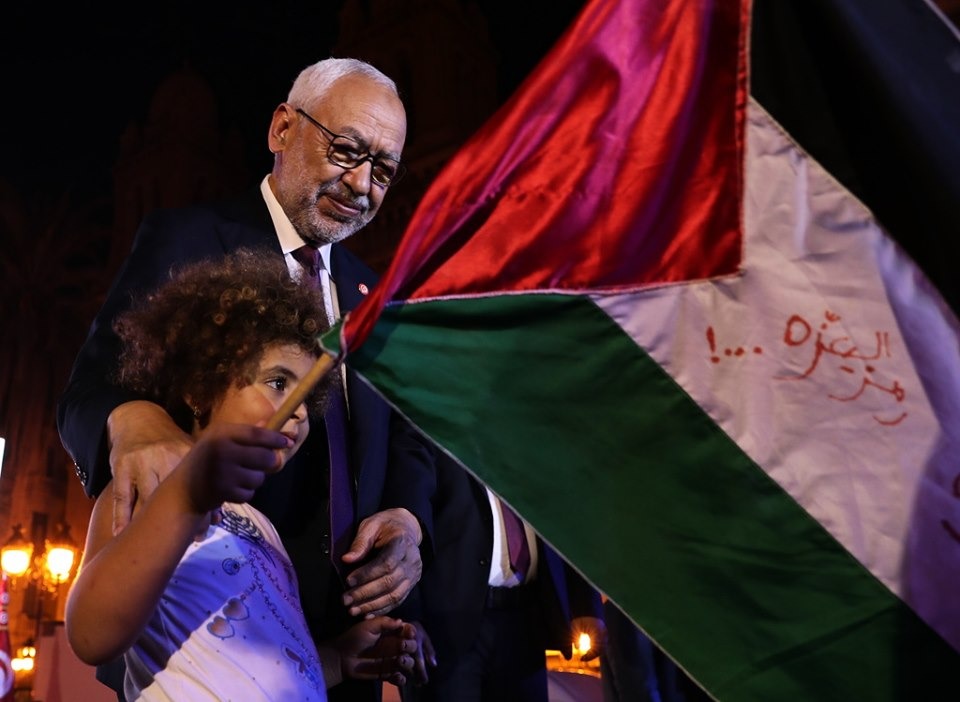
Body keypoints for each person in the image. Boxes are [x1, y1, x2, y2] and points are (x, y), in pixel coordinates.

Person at [57, 57, 436, 702]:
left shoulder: (375, 297)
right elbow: (92, 386)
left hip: (330, 659)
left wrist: (408, 519)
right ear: (283, 128)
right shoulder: (186, 238)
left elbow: (406, 439)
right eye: (347, 150)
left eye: (384, 169)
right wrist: (134, 420)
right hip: (197, 644)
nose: (361, 183)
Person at [65, 249, 418, 700]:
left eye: (309, 397)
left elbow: (262, 666)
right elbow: (91, 635)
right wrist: (186, 496)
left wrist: (339, 658)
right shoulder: (153, 487)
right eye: (278, 382)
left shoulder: (264, 529)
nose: (299, 412)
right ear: (200, 386)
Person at [398, 452, 606, 702]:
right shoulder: (434, 431)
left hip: (528, 620)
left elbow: (568, 507)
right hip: (445, 627)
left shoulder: (538, 436)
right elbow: (404, 505)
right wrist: (408, 616)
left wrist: (586, 604)